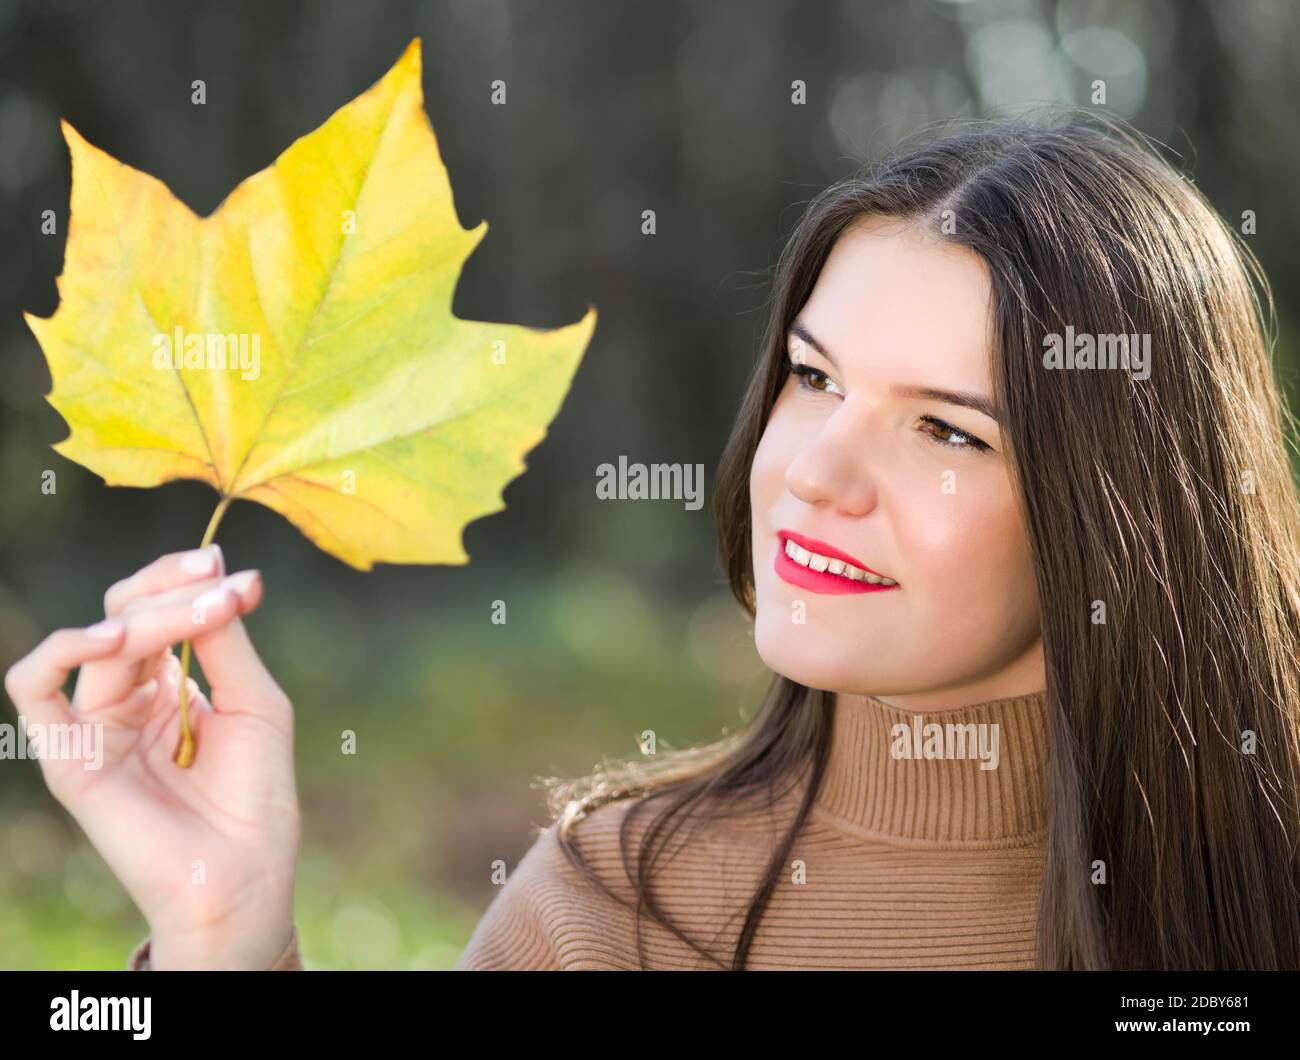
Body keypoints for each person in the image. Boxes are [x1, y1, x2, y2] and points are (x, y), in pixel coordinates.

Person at [7, 117, 1300, 970]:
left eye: (950, 432)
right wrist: (220, 931)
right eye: (814, 378)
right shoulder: (616, 911)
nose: (815, 473)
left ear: (1129, 510)